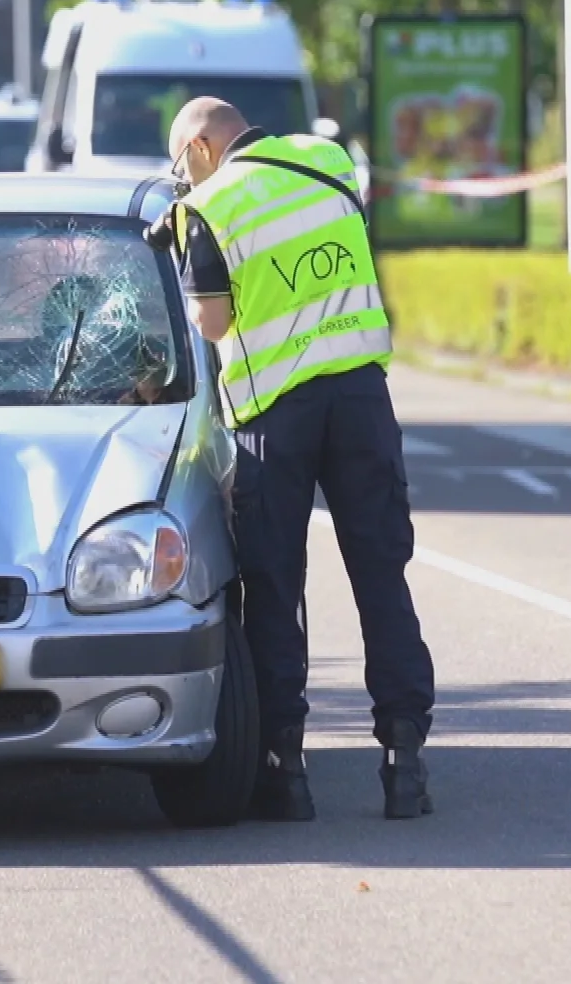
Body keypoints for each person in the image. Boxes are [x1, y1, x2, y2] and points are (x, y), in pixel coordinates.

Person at [153, 96, 436, 821]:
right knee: (381, 574)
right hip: (362, 400)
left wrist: (190, 254)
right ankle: (405, 760)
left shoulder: (209, 208)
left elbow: (212, 322)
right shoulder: (330, 162)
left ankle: (287, 768)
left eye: (181, 162)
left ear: (201, 148)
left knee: (275, 588)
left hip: (276, 416)